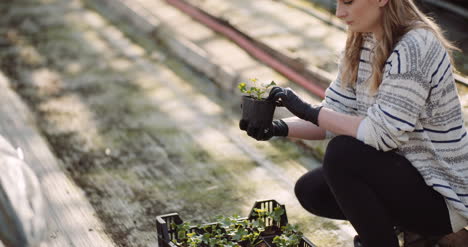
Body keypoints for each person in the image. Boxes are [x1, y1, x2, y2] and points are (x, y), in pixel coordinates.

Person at [239, 0, 468, 246]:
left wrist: (308, 110)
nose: (339, 13)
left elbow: (383, 134)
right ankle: (408, 233)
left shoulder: (416, 46)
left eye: (348, 1)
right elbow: (334, 116)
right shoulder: (363, 41)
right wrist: (277, 128)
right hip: (405, 174)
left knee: (343, 154)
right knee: (312, 190)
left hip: (442, 193)